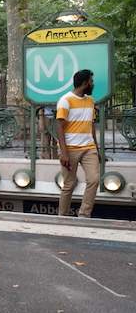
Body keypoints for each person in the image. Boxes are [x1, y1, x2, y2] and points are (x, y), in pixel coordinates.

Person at [56, 69, 99, 218]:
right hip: (70, 149)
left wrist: (97, 149)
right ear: (85, 83)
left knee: (94, 180)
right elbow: (59, 127)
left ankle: (84, 215)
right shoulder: (65, 100)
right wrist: (64, 152)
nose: (93, 84)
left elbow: (91, 125)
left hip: (89, 148)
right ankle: (63, 217)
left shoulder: (90, 101)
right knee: (69, 185)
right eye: (91, 81)